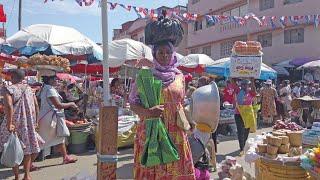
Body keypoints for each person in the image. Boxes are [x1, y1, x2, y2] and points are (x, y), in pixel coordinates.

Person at [129, 41, 195, 179]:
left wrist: (189, 120)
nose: (165, 56)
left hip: (175, 131)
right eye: (160, 52)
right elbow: (133, 104)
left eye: (168, 52)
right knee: (153, 169)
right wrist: (149, 112)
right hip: (151, 130)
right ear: (154, 54)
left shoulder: (179, 77)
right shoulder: (145, 75)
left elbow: (181, 104)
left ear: (173, 54)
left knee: (176, 169)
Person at [0, 69, 42, 180]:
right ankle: (27, 175)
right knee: (27, 148)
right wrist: (36, 121)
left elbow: (8, 106)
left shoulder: (8, 89)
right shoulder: (29, 89)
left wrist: (9, 124)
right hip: (28, 123)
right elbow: (36, 106)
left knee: (14, 148)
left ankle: (17, 177)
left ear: (13, 77)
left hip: (14, 122)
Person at [38, 73, 78, 164]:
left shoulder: (47, 88)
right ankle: (29, 163)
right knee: (42, 141)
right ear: (50, 80)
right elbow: (58, 105)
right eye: (55, 79)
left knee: (60, 137)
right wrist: (71, 104)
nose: (57, 81)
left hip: (50, 117)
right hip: (49, 118)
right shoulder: (49, 89)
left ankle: (65, 157)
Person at [234, 79, 257, 155]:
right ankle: (241, 147)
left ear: (248, 86)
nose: (244, 86)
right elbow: (233, 82)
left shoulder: (251, 92)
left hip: (248, 115)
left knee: (247, 130)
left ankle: (243, 144)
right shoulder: (238, 91)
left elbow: (254, 90)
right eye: (243, 85)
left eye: (246, 85)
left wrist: (252, 79)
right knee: (240, 131)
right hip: (238, 114)